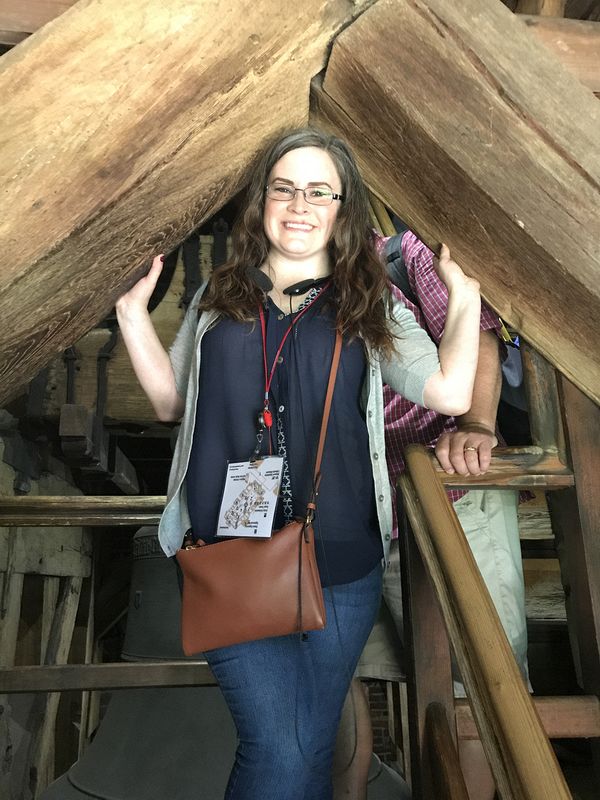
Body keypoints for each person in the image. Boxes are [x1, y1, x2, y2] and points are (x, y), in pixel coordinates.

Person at [116, 127, 481, 800]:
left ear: (343, 209)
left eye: (320, 191)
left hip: (342, 563)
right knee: (280, 747)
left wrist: (465, 300)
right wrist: (133, 315)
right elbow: (172, 403)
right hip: (228, 555)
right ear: (261, 203)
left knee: (308, 746)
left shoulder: (371, 304)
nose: (300, 204)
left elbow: (450, 393)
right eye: (283, 188)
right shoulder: (217, 298)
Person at [333, 230, 529, 800]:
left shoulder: (403, 254)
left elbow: (481, 335)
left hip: (452, 494)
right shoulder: (278, 284)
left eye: (322, 190)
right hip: (352, 516)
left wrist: (476, 426)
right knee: (333, 684)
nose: (304, 205)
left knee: (482, 685)